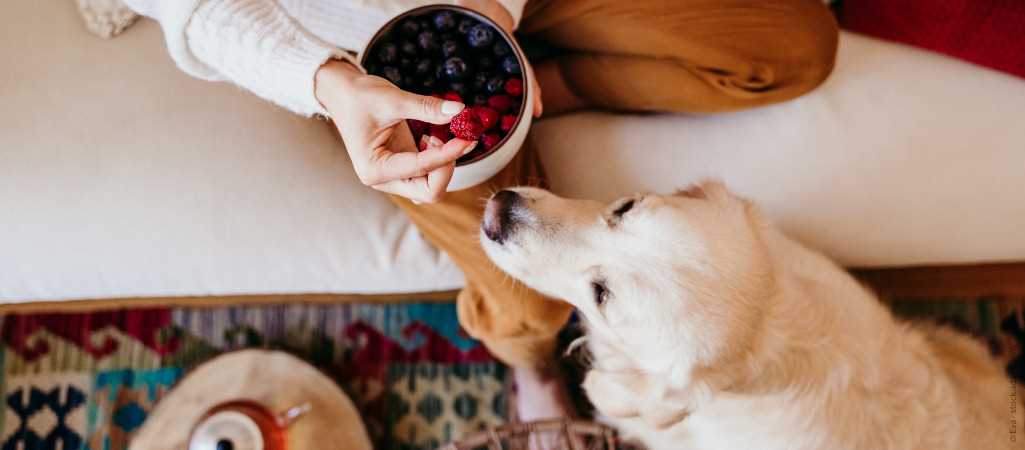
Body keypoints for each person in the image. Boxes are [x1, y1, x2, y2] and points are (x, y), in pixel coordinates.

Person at [124, 0, 838, 420]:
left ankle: (540, 90)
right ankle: (530, 363)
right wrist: (327, 84)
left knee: (794, 46)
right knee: (530, 307)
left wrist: (494, 10)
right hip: (347, 45)